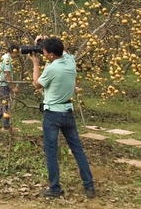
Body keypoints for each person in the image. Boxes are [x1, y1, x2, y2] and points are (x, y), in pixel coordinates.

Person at [30, 36, 95, 199]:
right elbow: (63, 49)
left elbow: (37, 84)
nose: (42, 53)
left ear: (51, 54)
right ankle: (89, 186)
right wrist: (46, 40)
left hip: (52, 114)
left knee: (51, 151)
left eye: (44, 51)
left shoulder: (52, 69)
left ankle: (54, 188)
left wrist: (35, 63)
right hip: (68, 112)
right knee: (78, 150)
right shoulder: (70, 62)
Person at [0, 44, 19, 131]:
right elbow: (7, 73)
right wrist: (13, 87)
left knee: (3, 105)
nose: (16, 55)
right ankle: (6, 126)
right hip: (3, 85)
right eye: (16, 53)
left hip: (1, 84)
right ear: (13, 51)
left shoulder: (4, 57)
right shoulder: (6, 59)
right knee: (5, 106)